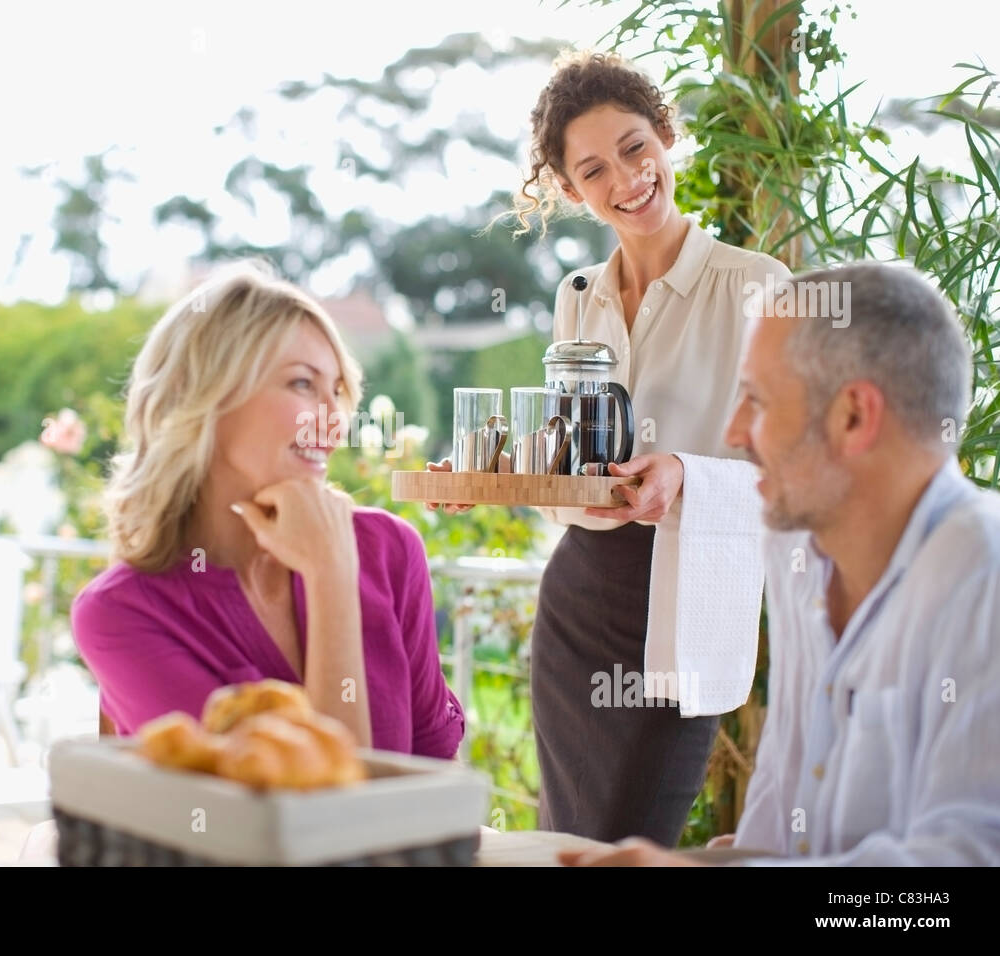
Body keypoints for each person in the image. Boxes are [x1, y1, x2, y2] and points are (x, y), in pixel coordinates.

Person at [430, 50, 792, 844]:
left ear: (666, 136)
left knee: (632, 842)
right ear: (569, 190)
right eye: (593, 169)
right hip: (580, 599)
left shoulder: (757, 284)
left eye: (634, 147)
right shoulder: (578, 296)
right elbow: (569, 450)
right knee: (571, 840)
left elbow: (796, 466)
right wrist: (487, 468)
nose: (626, 179)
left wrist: (686, 475)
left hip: (685, 594)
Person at [559, 261, 1000, 866]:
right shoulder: (801, 552)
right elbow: (784, 817)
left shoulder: (983, 580)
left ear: (854, 417)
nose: (735, 433)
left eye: (757, 401)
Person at [71, 260, 464, 758]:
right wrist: (331, 577)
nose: (333, 420)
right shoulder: (121, 614)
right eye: (302, 384)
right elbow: (311, 810)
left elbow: (433, 772)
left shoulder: (390, 550)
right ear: (207, 398)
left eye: (337, 390)